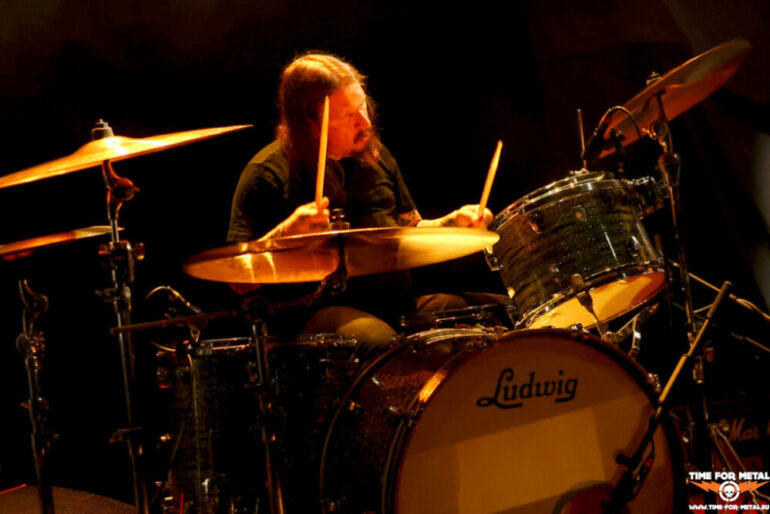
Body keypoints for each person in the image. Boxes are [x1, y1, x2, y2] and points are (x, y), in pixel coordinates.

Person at [227, 52, 498, 353]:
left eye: (363, 107)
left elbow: (409, 228)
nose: (365, 122)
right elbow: (237, 279)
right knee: (384, 345)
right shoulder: (266, 174)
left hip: (398, 309)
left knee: (499, 313)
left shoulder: (375, 157)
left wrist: (451, 224)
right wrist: (286, 232)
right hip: (315, 321)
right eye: (348, 115)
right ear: (311, 124)